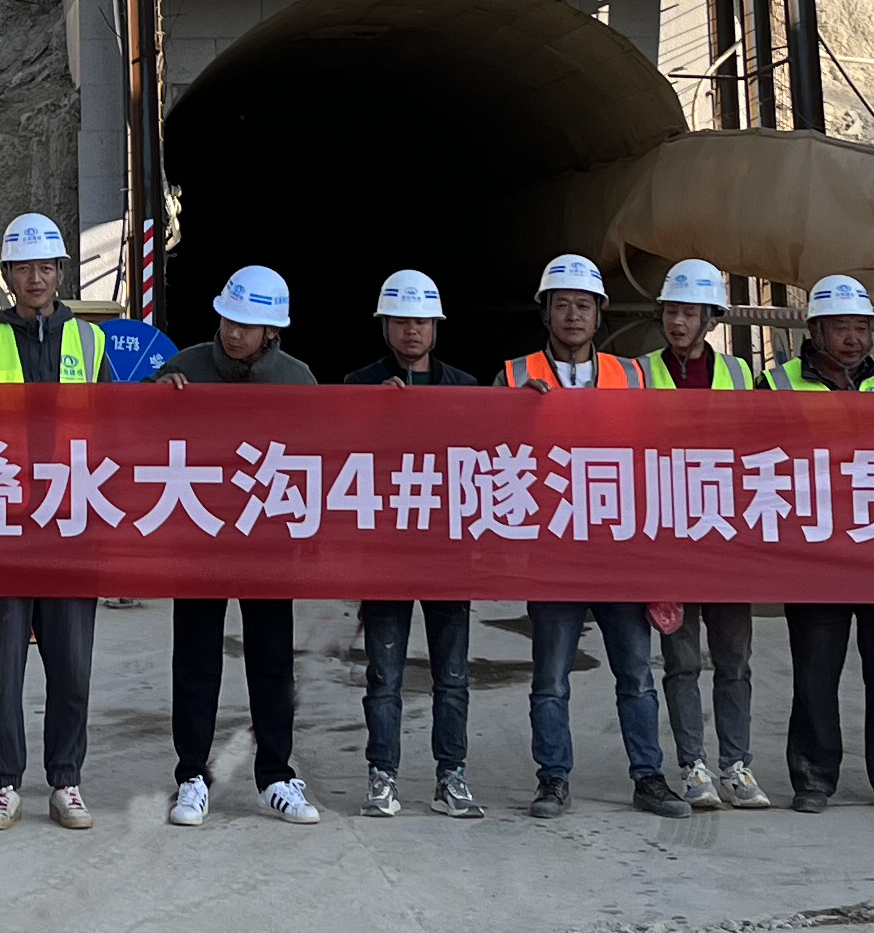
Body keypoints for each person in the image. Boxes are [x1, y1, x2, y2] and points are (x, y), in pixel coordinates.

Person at [504, 254, 675, 818]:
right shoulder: (512, 375)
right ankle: (552, 778)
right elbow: (486, 456)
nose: (572, 315)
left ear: (600, 314)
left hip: (616, 549)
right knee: (550, 680)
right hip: (552, 554)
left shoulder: (632, 374)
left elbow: (658, 453)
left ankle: (648, 777)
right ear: (545, 312)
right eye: (562, 305)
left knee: (636, 677)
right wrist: (513, 413)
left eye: (583, 305)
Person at [165, 266, 320, 828]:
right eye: (229, 319)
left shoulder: (299, 382)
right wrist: (152, 398)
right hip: (200, 539)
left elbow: (320, 463)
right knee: (196, 661)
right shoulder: (183, 369)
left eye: (249, 324)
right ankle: (190, 777)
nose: (234, 332)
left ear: (272, 332)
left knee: (272, 661)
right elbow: (131, 440)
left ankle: (275, 776)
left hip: (268, 544)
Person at [0, 211, 106, 833]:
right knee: (4, 668)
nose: (36, 277)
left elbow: (116, 430)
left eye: (46, 267)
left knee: (72, 665)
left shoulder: (91, 343)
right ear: (7, 275)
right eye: (24, 267)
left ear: (59, 274)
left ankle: (66, 781)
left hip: (72, 523)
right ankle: (5, 784)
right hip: (3, 524)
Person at [775, 274, 874, 813]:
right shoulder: (777, 387)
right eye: (841, 328)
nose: (854, 339)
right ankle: (813, 778)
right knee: (815, 672)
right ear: (814, 329)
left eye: (861, 327)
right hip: (814, 555)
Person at [348, 270, 487, 819]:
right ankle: (382, 775)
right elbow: (341, 460)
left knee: (452, 676)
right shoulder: (360, 386)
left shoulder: (466, 390)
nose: (412, 331)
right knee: (384, 676)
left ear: (436, 327)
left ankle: (451, 776)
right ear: (385, 325)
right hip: (386, 555)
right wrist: (369, 413)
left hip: (447, 556)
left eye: (422, 321)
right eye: (402, 321)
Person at [648, 260, 769, 812]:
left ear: (709, 318)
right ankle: (693, 765)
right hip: (667, 535)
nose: (678, 322)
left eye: (688, 312)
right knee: (681, 660)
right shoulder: (637, 371)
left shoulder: (743, 376)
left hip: (725, 537)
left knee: (733, 659)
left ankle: (736, 767)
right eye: (671, 311)